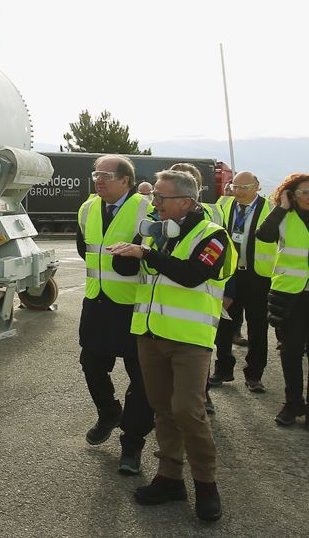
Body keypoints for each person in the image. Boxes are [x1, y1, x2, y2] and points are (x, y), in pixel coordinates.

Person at [108, 169, 235, 522]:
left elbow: (193, 274)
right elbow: (125, 269)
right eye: (154, 197)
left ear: (186, 202)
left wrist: (146, 253)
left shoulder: (214, 236)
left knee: (187, 410)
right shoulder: (157, 230)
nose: (154, 203)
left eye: (161, 198)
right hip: (150, 334)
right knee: (162, 407)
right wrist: (130, 251)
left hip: (190, 339)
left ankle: (206, 485)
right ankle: (170, 477)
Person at [75, 155, 154, 475]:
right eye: (96, 174)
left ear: (126, 180)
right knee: (91, 363)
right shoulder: (87, 207)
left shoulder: (145, 208)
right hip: (97, 301)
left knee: (141, 377)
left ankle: (132, 444)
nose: (98, 179)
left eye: (106, 175)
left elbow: (157, 253)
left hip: (135, 305)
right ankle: (109, 411)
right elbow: (85, 249)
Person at [208, 172, 275, 392]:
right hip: (230, 275)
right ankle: (223, 369)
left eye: (243, 187)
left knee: (257, 326)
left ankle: (254, 374)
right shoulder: (225, 205)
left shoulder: (270, 208)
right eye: (234, 186)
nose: (238, 191)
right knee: (225, 323)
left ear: (256, 187)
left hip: (258, 276)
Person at [169, 162, 224, 414]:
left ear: (198, 187)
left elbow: (226, 256)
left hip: (201, 297)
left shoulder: (214, 214)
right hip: (163, 302)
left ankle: (203, 395)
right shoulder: (157, 213)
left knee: (199, 352)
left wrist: (230, 292)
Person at [256, 173, 309, 427]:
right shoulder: (284, 216)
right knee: (291, 351)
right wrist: (281, 208)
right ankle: (292, 402)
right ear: (291, 194)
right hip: (290, 295)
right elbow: (263, 235)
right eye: (304, 192)